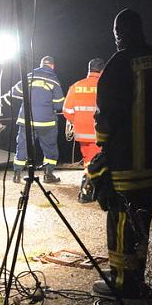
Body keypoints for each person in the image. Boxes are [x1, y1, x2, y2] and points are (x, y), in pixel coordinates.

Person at [92, 8, 152, 298]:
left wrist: (104, 146)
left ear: (119, 34)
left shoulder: (119, 63)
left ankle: (121, 281)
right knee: (142, 217)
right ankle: (137, 276)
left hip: (126, 160)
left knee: (120, 219)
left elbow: (107, 113)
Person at [9, 55, 66, 184]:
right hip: (47, 122)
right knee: (49, 147)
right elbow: (59, 105)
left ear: (41, 65)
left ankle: (17, 174)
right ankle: (48, 174)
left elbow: (14, 91)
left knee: (23, 146)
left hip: (26, 121)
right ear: (52, 66)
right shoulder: (54, 81)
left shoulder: (29, 76)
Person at [63, 58, 103, 202]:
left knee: (88, 161)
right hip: (100, 133)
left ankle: (90, 191)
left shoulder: (76, 86)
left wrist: (78, 121)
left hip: (82, 134)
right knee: (98, 163)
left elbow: (67, 110)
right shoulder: (105, 86)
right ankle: (87, 193)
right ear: (102, 70)